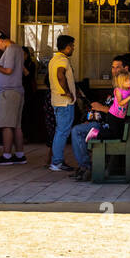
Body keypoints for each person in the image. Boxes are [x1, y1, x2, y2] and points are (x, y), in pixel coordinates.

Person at [0, 33, 27, 165]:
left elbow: (9, 70)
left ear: (0, 40)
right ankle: (20, 154)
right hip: (17, 90)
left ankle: (6, 156)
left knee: (6, 126)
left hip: (8, 92)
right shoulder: (18, 49)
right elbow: (23, 70)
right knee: (16, 125)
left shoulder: (10, 49)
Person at [47, 35, 79, 172]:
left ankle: (56, 160)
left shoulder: (54, 59)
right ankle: (57, 162)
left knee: (60, 131)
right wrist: (67, 92)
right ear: (67, 47)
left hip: (56, 100)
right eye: (72, 45)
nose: (73, 48)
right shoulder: (62, 60)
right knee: (62, 132)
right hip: (64, 102)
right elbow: (60, 75)